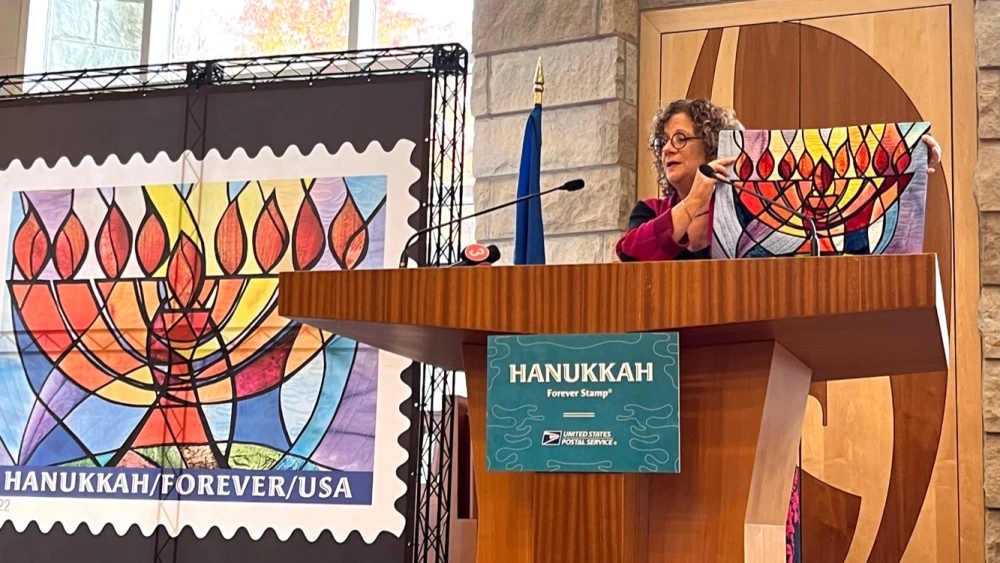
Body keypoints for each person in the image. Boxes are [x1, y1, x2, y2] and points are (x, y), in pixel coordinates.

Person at [615, 98, 943, 262]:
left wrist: (907, 159)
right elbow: (629, 254)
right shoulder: (650, 211)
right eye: (662, 142)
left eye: (680, 139)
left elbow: (826, 220)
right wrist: (692, 203)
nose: (667, 149)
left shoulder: (750, 206)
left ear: (712, 145)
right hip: (668, 351)